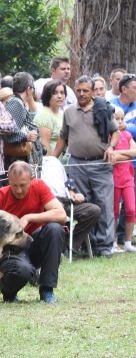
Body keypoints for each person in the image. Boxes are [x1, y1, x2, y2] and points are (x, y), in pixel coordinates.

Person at [53, 75, 119, 258]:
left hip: (100, 163)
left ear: (92, 92)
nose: (81, 94)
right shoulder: (69, 111)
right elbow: (63, 138)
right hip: (77, 163)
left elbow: (115, 132)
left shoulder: (103, 108)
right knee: (83, 204)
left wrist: (111, 147)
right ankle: (87, 244)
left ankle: (105, 246)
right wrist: (51, 160)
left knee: (104, 204)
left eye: (85, 91)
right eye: (78, 90)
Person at [0, 161, 67, 303]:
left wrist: (29, 217)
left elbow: (61, 215)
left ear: (31, 179)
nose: (18, 190)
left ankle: (47, 290)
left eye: (23, 185)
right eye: (14, 185)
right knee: (23, 271)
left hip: (34, 242)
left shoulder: (39, 186)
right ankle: (8, 292)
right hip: (9, 249)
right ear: (8, 180)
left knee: (55, 229)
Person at [40, 156, 101, 256]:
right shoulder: (31, 164)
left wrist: (74, 194)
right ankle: (59, 247)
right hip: (48, 202)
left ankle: (68, 245)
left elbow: (67, 184)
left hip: (66, 201)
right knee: (56, 217)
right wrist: (51, 201)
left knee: (94, 210)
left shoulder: (55, 161)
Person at [2, 72, 43, 174]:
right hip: (17, 163)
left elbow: (27, 121)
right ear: (28, 89)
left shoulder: (19, 102)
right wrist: (26, 136)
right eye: (32, 88)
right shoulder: (16, 102)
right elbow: (9, 131)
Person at [110, 108, 136, 253]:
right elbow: (110, 156)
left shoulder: (128, 134)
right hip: (114, 179)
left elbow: (135, 152)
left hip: (128, 179)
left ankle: (127, 242)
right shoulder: (110, 136)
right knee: (114, 211)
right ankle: (113, 242)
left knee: (131, 209)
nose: (119, 122)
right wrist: (128, 154)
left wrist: (117, 153)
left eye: (122, 119)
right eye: (116, 119)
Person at [34, 80, 66, 156]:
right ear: (47, 95)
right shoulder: (44, 116)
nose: (59, 96)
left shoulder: (61, 114)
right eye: (55, 93)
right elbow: (44, 145)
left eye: (62, 92)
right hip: (50, 163)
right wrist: (50, 164)